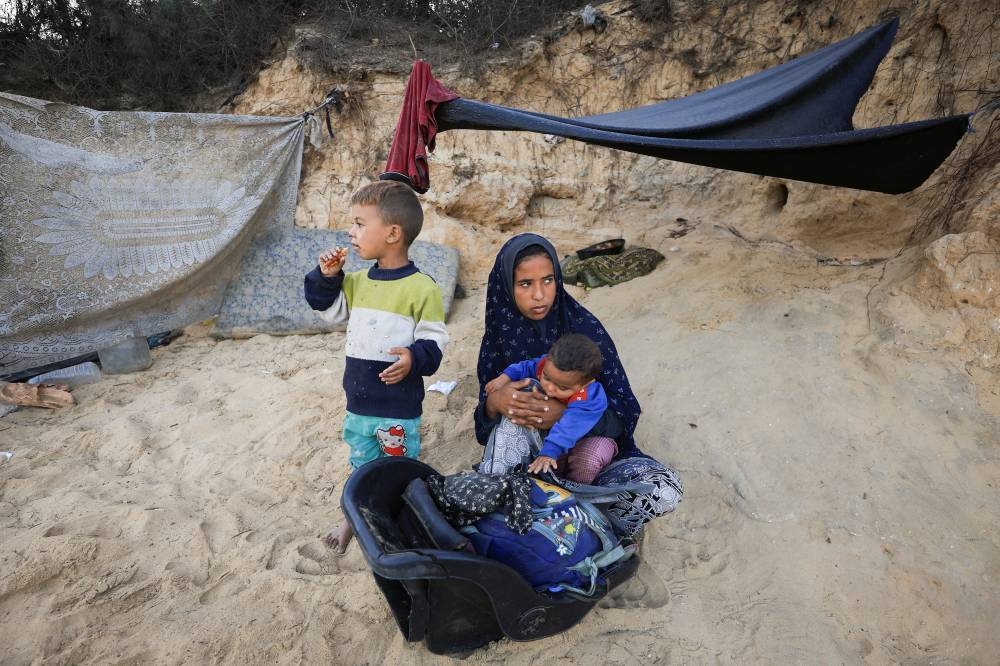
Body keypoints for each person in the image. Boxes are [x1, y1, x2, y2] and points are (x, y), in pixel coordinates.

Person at [475, 233, 682, 537]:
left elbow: (624, 415)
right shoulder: (500, 339)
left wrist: (564, 415)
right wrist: (495, 403)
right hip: (531, 470)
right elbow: (486, 434)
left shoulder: (585, 331)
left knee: (664, 490)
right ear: (505, 287)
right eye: (525, 284)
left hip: (591, 468)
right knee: (511, 424)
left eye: (548, 280)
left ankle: (582, 524)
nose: (539, 295)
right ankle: (543, 522)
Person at [304, 180, 449, 553]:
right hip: (359, 406)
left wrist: (414, 358)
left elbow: (435, 343)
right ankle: (352, 521)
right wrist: (328, 276)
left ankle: (401, 526)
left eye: (359, 223)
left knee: (397, 471)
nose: (351, 232)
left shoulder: (422, 288)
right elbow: (326, 308)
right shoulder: (355, 283)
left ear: (392, 233)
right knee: (362, 469)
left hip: (398, 409)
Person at [483, 333, 618, 483]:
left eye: (562, 387)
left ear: (586, 383)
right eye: (546, 378)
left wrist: (549, 452)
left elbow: (570, 426)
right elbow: (525, 367)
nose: (550, 389)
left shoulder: (589, 395)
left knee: (586, 462)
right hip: (558, 441)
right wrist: (503, 379)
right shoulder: (548, 366)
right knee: (545, 469)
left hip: (589, 439)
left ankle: (576, 491)